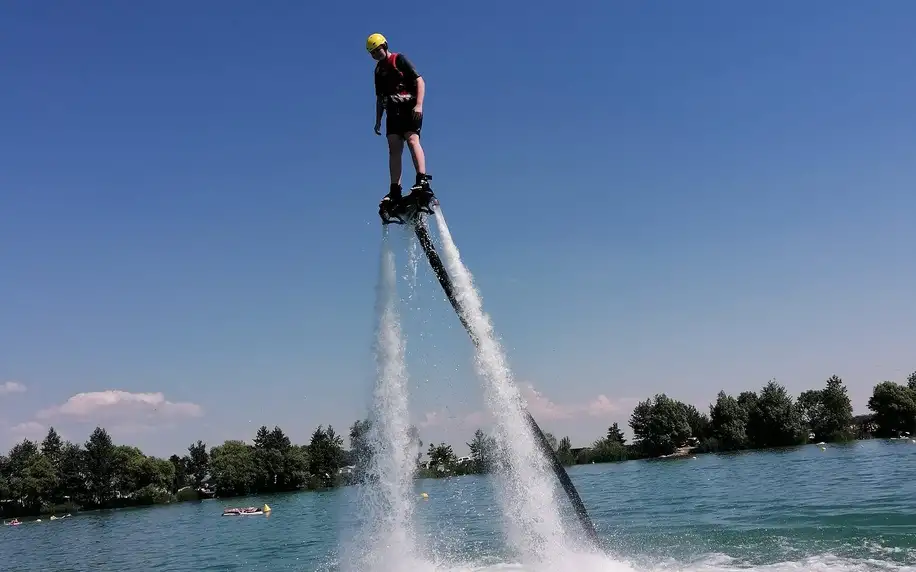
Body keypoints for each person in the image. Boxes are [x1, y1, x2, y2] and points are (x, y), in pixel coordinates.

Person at [366, 33, 433, 219]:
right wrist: (378, 119)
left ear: (385, 46)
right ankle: (395, 189)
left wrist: (419, 104)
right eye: (372, 53)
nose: (376, 54)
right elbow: (379, 97)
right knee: (393, 147)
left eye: (377, 50)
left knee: (412, 140)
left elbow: (419, 80)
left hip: (409, 108)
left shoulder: (399, 59)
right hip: (392, 113)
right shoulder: (378, 71)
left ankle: (422, 179)